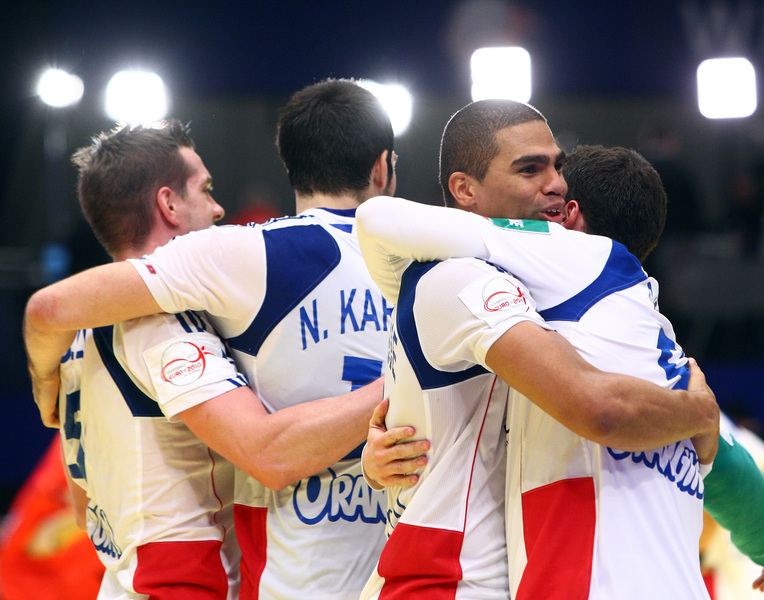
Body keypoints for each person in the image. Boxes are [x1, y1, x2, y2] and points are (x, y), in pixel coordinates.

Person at [355, 100, 763, 599]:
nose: (556, 184)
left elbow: (607, 410)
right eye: (531, 169)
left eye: (559, 168)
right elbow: (732, 474)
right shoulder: (662, 358)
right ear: (465, 189)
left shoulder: (555, 276)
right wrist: (700, 414)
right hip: (451, 579)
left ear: (570, 220)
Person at [23, 78, 403, 600]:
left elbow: (82, 506)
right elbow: (266, 452)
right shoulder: (158, 323)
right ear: (168, 205)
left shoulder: (76, 339)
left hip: (122, 580)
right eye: (205, 190)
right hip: (180, 584)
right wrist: (408, 382)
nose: (220, 209)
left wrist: (43, 382)